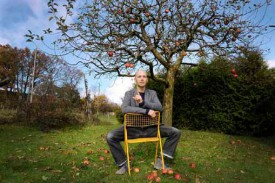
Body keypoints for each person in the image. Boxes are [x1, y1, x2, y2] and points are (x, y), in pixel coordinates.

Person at [106, 70, 181, 175]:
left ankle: (160, 161)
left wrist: (143, 103)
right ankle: (124, 164)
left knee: (175, 132)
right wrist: (146, 111)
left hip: (151, 129)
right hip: (132, 130)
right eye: (139, 76)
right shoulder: (129, 94)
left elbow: (159, 107)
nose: (142, 79)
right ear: (135, 79)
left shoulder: (152, 93)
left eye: (144, 77)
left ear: (147, 79)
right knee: (110, 136)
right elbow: (125, 109)